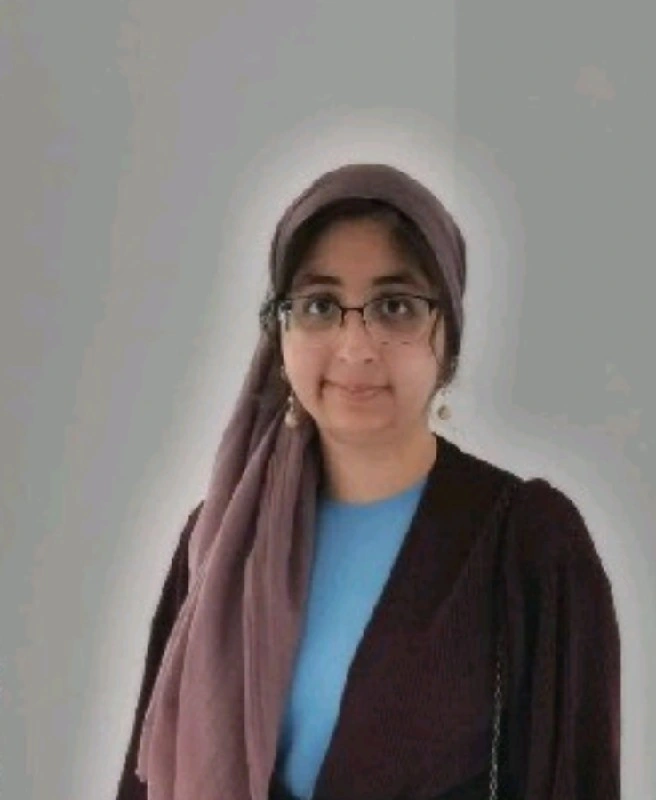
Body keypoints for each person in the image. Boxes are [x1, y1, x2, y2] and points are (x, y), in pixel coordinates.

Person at [115, 163, 620, 800]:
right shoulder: (222, 541)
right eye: (320, 306)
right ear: (281, 333)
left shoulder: (529, 544)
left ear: (448, 335)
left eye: (395, 307)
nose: (355, 347)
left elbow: (576, 780)